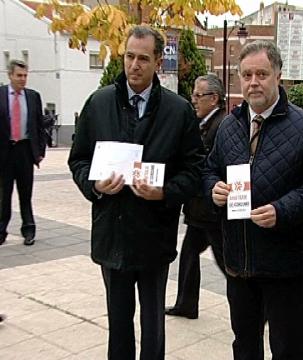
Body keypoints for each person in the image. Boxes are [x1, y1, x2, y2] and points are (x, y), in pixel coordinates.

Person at [68, 25, 203, 360]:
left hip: (154, 237)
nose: (135, 65)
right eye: (129, 56)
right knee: (118, 323)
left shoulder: (178, 110)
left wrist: (164, 193)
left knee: (153, 322)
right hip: (111, 234)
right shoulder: (98, 104)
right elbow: (79, 159)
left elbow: (195, 171)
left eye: (143, 58)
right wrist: (94, 186)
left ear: (158, 61)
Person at [203, 40, 303, 359]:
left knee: (288, 349)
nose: (253, 82)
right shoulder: (229, 126)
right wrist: (214, 189)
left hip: (284, 264)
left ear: (278, 76)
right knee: (244, 346)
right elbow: (209, 170)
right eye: (246, 75)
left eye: (262, 73)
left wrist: (282, 210)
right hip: (239, 263)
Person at [165, 74, 226, 320]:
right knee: (189, 253)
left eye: (198, 96)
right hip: (200, 209)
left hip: (212, 210)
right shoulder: (204, 123)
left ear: (214, 99)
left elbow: (211, 166)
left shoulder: (221, 125)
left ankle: (257, 306)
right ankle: (186, 304)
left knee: (226, 261)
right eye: (193, 96)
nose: (194, 101)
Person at [0, 59, 46, 246]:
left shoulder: (33, 96)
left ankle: (29, 230)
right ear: (10, 75)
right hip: (4, 152)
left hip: (25, 150)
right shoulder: (1, 95)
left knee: (25, 193)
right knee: (4, 194)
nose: (23, 79)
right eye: (19, 75)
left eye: (25, 75)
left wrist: (40, 150)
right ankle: (1, 230)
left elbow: (39, 125)